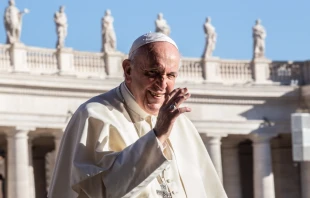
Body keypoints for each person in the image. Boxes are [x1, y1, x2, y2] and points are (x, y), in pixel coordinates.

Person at [48, 32, 227, 198]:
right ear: (128, 70)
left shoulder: (183, 125)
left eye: (171, 75)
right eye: (153, 73)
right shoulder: (94, 116)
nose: (162, 84)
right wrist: (157, 136)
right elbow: (103, 189)